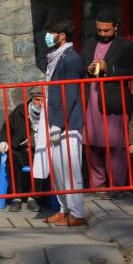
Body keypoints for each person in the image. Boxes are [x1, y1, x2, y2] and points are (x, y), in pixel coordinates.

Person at [79, 9, 133, 192]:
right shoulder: (89, 42)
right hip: (90, 102)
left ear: (116, 27)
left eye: (107, 30)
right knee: (91, 146)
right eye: (100, 30)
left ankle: (117, 188)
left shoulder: (126, 46)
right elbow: (80, 66)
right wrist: (87, 69)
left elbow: (129, 72)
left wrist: (108, 68)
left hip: (113, 103)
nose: (103, 34)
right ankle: (98, 186)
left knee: (115, 147)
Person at [36, 17, 86, 227]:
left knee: (70, 169)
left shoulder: (71, 59)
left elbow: (69, 93)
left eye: (51, 32)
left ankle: (77, 213)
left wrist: (58, 123)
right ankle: (63, 208)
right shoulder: (57, 57)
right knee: (57, 169)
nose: (48, 36)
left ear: (61, 36)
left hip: (67, 123)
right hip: (54, 119)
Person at [0, 86, 44, 212]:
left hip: (39, 149)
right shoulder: (20, 110)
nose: (40, 103)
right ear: (32, 99)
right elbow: (6, 127)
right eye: (37, 100)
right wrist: (3, 141)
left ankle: (32, 197)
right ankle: (16, 197)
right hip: (21, 148)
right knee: (12, 158)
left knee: (42, 160)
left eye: (42, 100)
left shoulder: (48, 113)